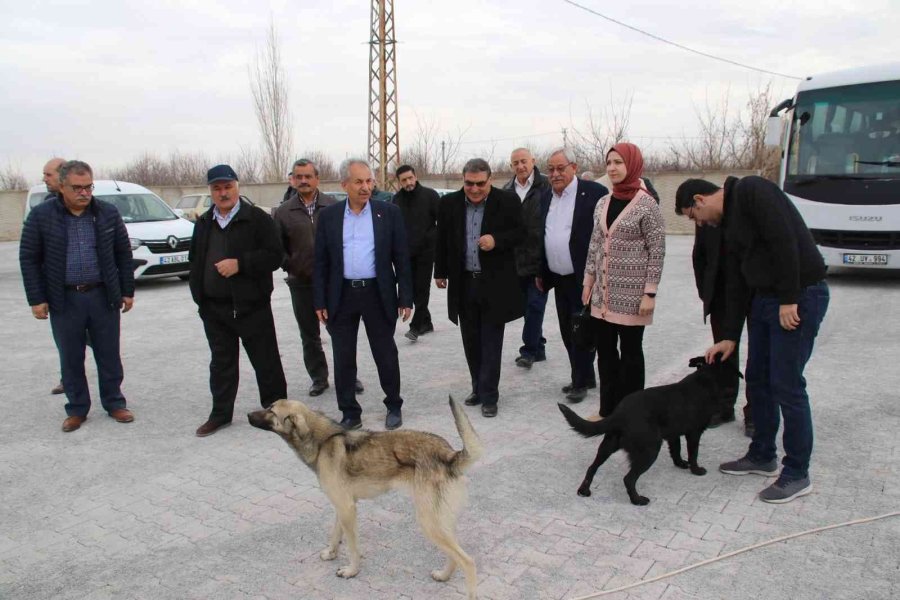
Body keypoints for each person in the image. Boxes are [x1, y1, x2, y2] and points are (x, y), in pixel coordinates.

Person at [675, 176, 829, 504]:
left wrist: (789, 298)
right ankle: (762, 454)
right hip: (764, 299)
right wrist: (730, 336)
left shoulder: (753, 191)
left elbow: (783, 240)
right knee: (757, 379)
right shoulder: (728, 225)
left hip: (799, 294)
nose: (697, 223)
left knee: (787, 384)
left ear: (700, 200)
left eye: (692, 216)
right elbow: (737, 281)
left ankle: (797, 472)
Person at [20, 160, 136, 432]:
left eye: (88, 187)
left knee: (109, 354)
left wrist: (127, 291)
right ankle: (76, 409)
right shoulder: (42, 216)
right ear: (62, 186)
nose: (84, 193)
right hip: (64, 299)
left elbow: (123, 253)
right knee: (71, 357)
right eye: (77, 188)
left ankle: (114, 403)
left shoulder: (107, 213)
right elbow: (29, 258)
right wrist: (36, 299)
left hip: (102, 296)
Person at [188, 164, 287, 437]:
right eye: (217, 188)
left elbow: (275, 256)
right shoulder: (204, 223)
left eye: (227, 186)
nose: (223, 193)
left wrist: (240, 264)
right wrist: (201, 300)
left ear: (237, 186)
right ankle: (220, 414)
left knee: (266, 362)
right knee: (221, 364)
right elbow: (194, 261)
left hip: (251, 307)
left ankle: (278, 413)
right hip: (215, 309)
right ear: (210, 191)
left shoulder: (257, 219)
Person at [314, 159, 412, 431]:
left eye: (369, 181)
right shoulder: (330, 217)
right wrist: (319, 300)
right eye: (358, 181)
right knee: (343, 356)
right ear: (344, 184)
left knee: (385, 353)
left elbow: (401, 258)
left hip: (377, 294)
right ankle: (349, 412)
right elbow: (320, 261)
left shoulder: (388, 213)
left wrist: (406, 297)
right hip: (341, 296)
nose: (366, 187)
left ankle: (393, 404)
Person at [434, 158, 524, 417]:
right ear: (463, 180)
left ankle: (490, 396)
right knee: (471, 341)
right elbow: (441, 240)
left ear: (490, 180)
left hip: (494, 285)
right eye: (469, 184)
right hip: (464, 284)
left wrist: (497, 240)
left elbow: (520, 234)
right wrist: (439, 271)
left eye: (480, 184)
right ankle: (477, 387)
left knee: (491, 342)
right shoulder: (449, 203)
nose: (474, 189)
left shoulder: (507, 201)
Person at [582, 143, 665, 417]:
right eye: (609, 163)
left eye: (618, 162)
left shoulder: (647, 204)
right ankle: (608, 411)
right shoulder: (602, 202)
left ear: (632, 164)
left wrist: (649, 293)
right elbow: (595, 243)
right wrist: (588, 281)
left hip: (633, 297)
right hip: (603, 295)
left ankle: (633, 413)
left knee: (630, 354)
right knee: (605, 355)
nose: (612, 168)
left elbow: (657, 250)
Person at [273, 158, 364, 397]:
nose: (303, 181)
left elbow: (349, 241)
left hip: (333, 283)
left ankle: (349, 375)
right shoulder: (283, 212)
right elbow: (277, 248)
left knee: (340, 331)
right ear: (292, 179)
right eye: (298, 176)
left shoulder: (334, 206)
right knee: (309, 334)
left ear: (317, 179)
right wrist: (291, 264)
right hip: (301, 283)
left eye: (308, 176)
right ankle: (318, 378)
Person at [538, 148, 608, 402]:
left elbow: (604, 235)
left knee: (581, 330)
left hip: (585, 278)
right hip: (558, 277)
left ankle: (579, 381)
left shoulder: (594, 194)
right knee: (568, 330)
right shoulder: (546, 197)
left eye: (560, 168)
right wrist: (541, 271)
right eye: (551, 169)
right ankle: (585, 375)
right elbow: (543, 236)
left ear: (574, 167)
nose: (555, 174)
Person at [692, 220, 753, 436]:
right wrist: (705, 292)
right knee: (724, 352)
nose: (697, 220)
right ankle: (724, 407)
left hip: (755, 290)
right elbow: (699, 256)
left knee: (758, 352)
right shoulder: (705, 218)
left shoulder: (742, 212)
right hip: (721, 295)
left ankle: (754, 413)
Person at [502, 148, 550, 369]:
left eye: (523, 161)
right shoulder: (506, 190)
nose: (520, 166)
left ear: (533, 161)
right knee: (526, 306)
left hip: (540, 260)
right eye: (515, 163)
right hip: (515, 261)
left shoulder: (546, 187)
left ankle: (528, 351)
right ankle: (538, 346)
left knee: (534, 305)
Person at [392, 164, 440, 341]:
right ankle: (426, 322)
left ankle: (416, 326)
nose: (408, 182)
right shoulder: (396, 201)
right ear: (399, 182)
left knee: (422, 289)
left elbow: (442, 223)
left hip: (426, 252)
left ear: (416, 177)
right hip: (405, 254)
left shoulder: (430, 196)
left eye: (410, 178)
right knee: (411, 290)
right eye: (404, 180)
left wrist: (438, 246)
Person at [39, 157, 68, 396]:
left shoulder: (93, 207)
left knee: (102, 344)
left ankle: (112, 395)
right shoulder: (45, 209)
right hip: (61, 291)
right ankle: (68, 379)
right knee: (67, 343)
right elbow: (33, 255)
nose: (44, 179)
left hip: (93, 292)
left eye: (48, 174)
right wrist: (38, 295)